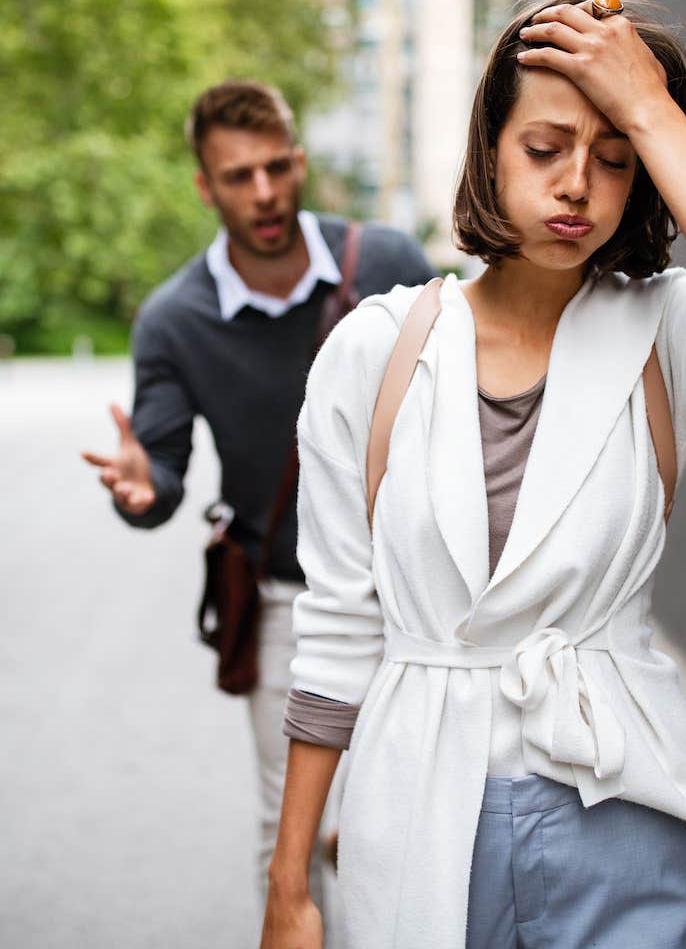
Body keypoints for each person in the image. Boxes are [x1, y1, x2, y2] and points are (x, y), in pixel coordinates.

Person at [259, 0, 686, 949]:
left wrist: (651, 107)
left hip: (620, 806)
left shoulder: (667, 336)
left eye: (615, 160)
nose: (578, 184)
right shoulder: (375, 352)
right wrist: (289, 886)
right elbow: (336, 629)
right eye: (544, 148)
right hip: (417, 814)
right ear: (489, 148)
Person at [80, 79, 436, 913]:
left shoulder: (387, 263)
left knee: (425, 818)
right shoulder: (174, 320)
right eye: (238, 176)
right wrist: (141, 488)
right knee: (291, 833)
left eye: (277, 167)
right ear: (205, 187)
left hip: (422, 594)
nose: (265, 193)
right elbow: (160, 475)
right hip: (288, 602)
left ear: (300, 161)